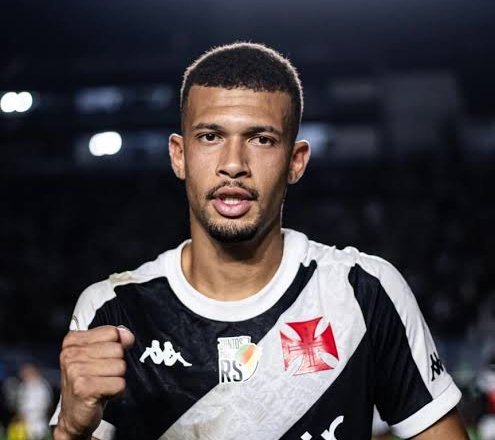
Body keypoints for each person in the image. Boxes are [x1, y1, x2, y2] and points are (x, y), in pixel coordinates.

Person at [50, 42, 468, 440]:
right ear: (179, 155)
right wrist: (71, 429)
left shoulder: (363, 291)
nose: (233, 164)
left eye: (261, 139)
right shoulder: (112, 310)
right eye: (210, 136)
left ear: (296, 162)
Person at [17, 363, 52, 440]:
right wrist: (22, 413)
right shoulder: (23, 386)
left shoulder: (42, 385)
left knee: (39, 434)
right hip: (26, 417)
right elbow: (21, 402)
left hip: (38, 417)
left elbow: (46, 402)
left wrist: (39, 412)